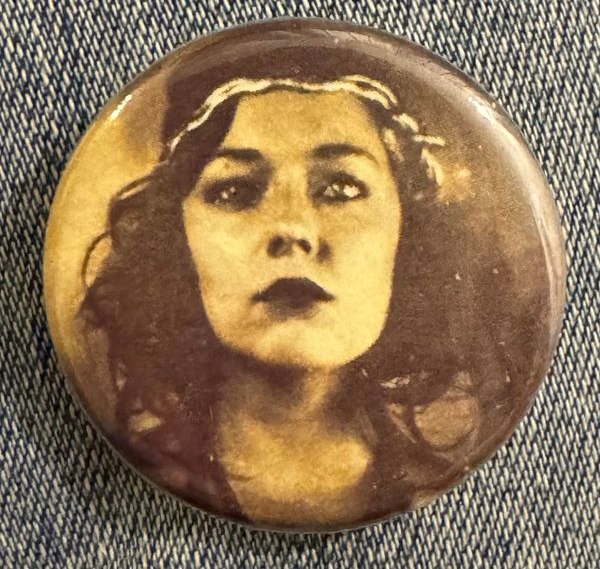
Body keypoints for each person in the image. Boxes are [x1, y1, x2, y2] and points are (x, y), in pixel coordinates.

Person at [77, 73, 531, 529]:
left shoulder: (451, 496)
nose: (292, 228)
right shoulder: (122, 483)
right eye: (235, 191)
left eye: (341, 188)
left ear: (406, 234)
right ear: (179, 240)